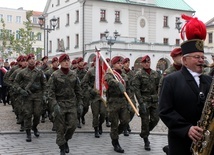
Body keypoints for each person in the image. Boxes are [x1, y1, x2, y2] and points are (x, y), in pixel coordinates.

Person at [159, 14, 214, 155]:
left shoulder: (209, 81)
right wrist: (186, 128)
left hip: (207, 143)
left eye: (203, 57)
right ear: (184, 60)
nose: (201, 60)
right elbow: (165, 111)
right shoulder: (171, 80)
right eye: (197, 57)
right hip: (181, 143)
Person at [48, 54, 83, 155]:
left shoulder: (74, 74)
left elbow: (78, 91)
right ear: (60, 63)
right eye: (64, 61)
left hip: (71, 104)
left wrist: (80, 103)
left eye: (68, 60)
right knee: (60, 127)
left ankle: (65, 140)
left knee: (72, 125)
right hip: (60, 104)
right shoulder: (55, 75)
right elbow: (50, 92)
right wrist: (54, 105)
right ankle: (62, 148)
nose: (67, 62)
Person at [14, 53, 47, 142]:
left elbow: (44, 84)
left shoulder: (39, 72)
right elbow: (15, 83)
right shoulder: (22, 72)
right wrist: (21, 90)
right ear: (27, 61)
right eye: (30, 59)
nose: (32, 60)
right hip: (27, 96)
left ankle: (34, 127)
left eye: (33, 58)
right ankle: (28, 133)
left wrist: (44, 94)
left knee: (37, 114)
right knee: (27, 114)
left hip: (37, 96)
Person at [132, 55, 160, 151]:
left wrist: (158, 97)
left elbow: (158, 87)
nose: (147, 64)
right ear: (142, 64)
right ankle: (146, 141)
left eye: (148, 62)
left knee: (156, 119)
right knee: (145, 122)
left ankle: (144, 133)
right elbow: (136, 89)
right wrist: (140, 102)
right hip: (144, 101)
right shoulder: (138, 74)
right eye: (145, 62)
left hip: (154, 100)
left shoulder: (155, 74)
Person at [158, 47, 182, 154]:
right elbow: (162, 90)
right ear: (174, 58)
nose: (182, 58)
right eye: (179, 56)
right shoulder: (168, 73)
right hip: (174, 106)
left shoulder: (185, 70)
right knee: (175, 130)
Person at [104, 56, 130, 153]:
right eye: (118, 63)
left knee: (125, 121)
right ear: (114, 64)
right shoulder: (109, 74)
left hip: (123, 101)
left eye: (121, 63)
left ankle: (114, 135)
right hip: (113, 102)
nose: (120, 64)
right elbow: (110, 81)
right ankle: (116, 143)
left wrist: (129, 101)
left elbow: (128, 88)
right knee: (114, 124)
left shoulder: (124, 74)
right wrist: (117, 83)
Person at [81, 56, 106, 138]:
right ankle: (96, 129)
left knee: (103, 113)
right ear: (94, 63)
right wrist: (91, 90)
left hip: (102, 96)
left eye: (100, 62)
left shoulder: (104, 71)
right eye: (96, 62)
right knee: (95, 114)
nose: (98, 63)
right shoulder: (90, 72)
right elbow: (84, 83)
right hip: (94, 96)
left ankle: (100, 124)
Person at [121, 57, 136, 136]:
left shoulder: (132, 73)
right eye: (126, 62)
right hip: (123, 95)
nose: (127, 63)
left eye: (128, 62)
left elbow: (135, 83)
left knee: (133, 111)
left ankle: (126, 123)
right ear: (123, 64)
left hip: (130, 95)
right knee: (125, 112)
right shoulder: (121, 72)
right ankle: (125, 127)